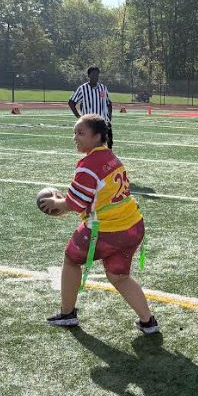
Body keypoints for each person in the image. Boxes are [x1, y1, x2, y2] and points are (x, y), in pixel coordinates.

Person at [39, 114, 159, 333]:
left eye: (81, 133)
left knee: (71, 258)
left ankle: (67, 314)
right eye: (74, 132)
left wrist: (56, 203)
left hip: (108, 230)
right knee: (119, 276)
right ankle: (148, 321)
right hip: (133, 225)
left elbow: (74, 203)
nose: (75, 137)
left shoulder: (88, 164)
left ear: (97, 136)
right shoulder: (111, 157)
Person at [68, 66, 113, 149]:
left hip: (102, 121)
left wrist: (109, 118)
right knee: (91, 145)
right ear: (89, 76)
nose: (96, 76)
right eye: (93, 74)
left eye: (97, 74)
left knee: (107, 145)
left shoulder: (103, 88)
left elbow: (109, 103)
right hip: (89, 123)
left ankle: (106, 161)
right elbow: (71, 102)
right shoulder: (82, 89)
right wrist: (79, 117)